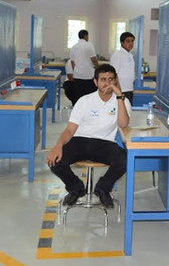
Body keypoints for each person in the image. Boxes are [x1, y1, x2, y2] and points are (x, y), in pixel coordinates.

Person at [46, 64, 130, 209]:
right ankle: (76, 188)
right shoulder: (85, 101)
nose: (107, 83)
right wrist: (58, 146)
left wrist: (119, 96)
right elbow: (70, 130)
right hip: (80, 141)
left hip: (104, 144)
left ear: (116, 81)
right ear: (95, 82)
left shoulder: (122, 101)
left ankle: (103, 188)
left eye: (111, 79)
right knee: (55, 160)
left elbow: (123, 124)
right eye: (103, 79)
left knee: (125, 159)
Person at [69, 29, 99, 105]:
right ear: (86, 36)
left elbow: (72, 62)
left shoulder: (74, 47)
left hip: (77, 75)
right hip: (88, 75)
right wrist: (98, 68)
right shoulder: (89, 45)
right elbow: (93, 59)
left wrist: (76, 71)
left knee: (78, 96)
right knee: (89, 96)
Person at [110, 31, 136, 104]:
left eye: (132, 41)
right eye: (128, 41)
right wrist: (119, 92)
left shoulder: (130, 55)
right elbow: (114, 74)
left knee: (128, 109)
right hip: (121, 90)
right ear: (122, 42)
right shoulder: (117, 55)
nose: (131, 43)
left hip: (129, 89)